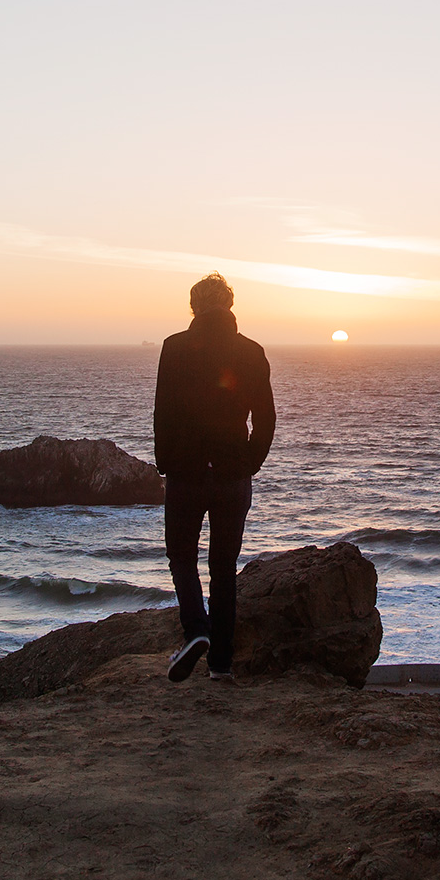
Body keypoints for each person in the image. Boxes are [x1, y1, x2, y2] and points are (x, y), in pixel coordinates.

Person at [152, 273, 275, 684]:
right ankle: (220, 664)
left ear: (194, 307)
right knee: (223, 567)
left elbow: (163, 413)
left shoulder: (174, 348)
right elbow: (266, 419)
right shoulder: (252, 352)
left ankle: (196, 631)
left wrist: (165, 462)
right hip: (231, 475)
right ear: (229, 304)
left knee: (182, 558)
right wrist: (250, 462)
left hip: (187, 473)